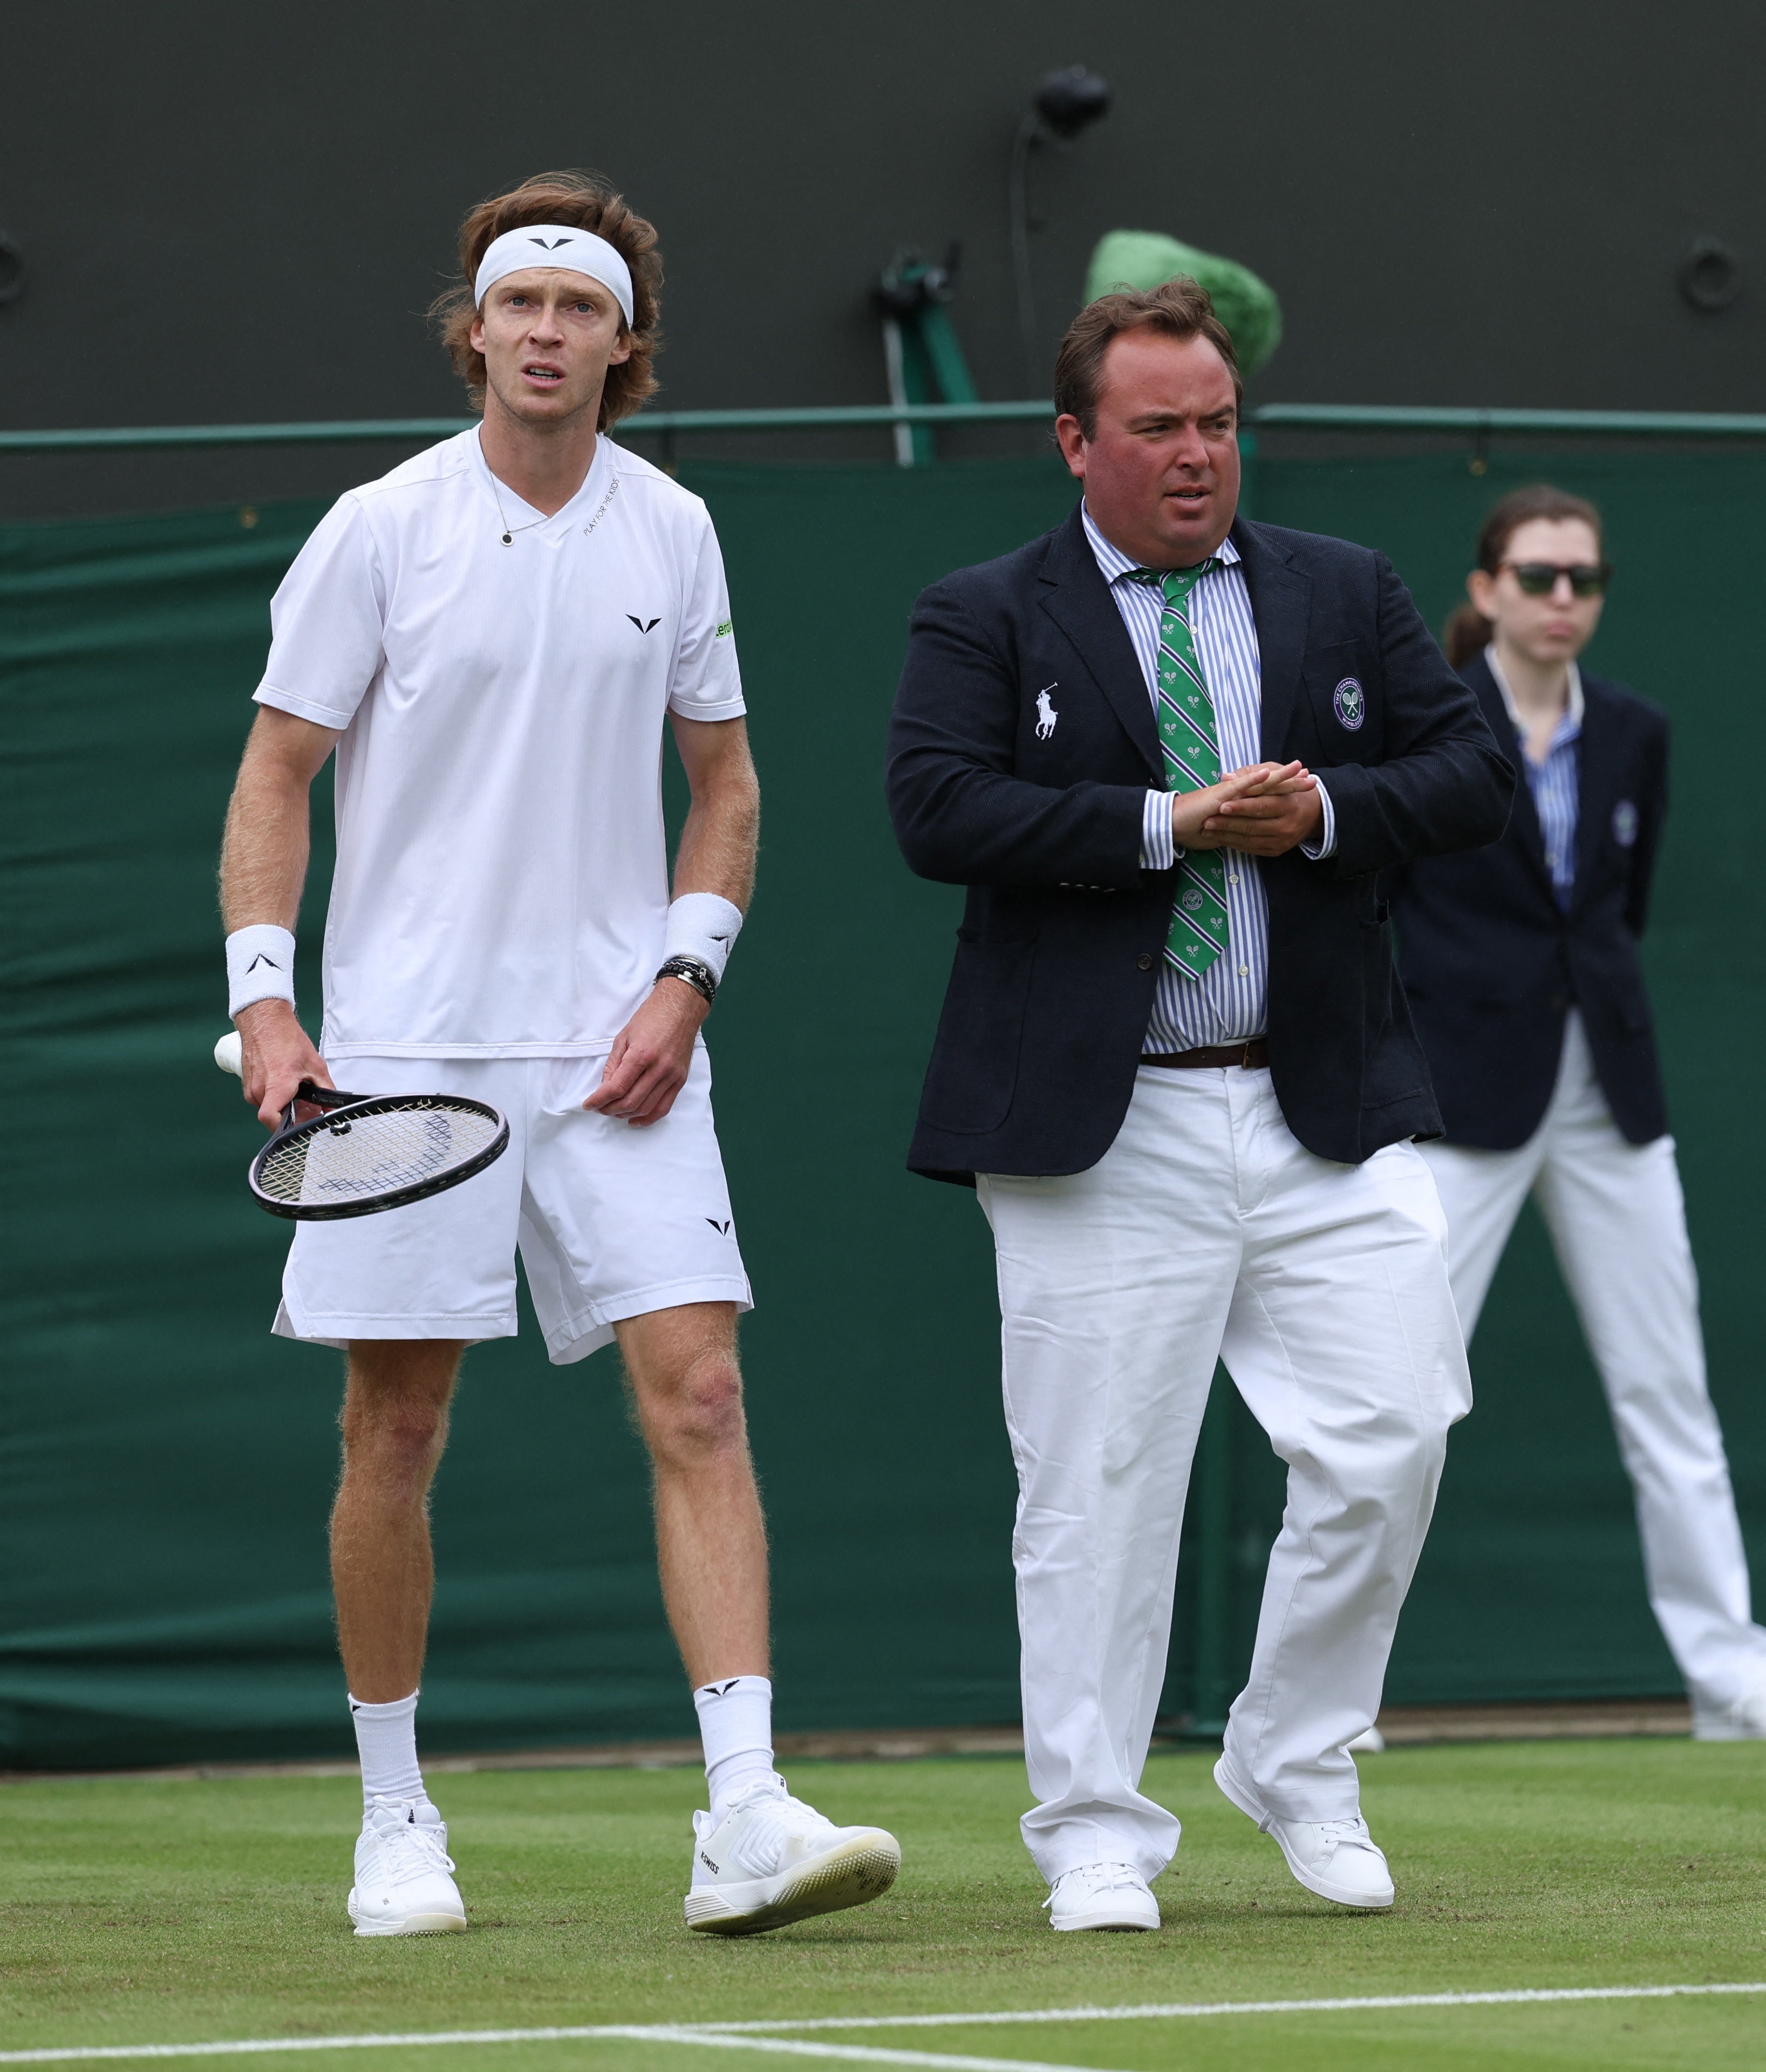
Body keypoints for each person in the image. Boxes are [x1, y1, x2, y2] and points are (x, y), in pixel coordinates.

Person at [217, 171, 898, 1938]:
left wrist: (687, 976)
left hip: (620, 1048)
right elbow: (278, 775)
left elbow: (728, 783)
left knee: (701, 1392)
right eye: (514, 303)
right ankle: (393, 1822)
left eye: (576, 307)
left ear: (622, 342)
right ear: (472, 333)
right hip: (404, 1050)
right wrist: (270, 1000)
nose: (541, 332)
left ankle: (744, 1812)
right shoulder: (379, 528)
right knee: (398, 1423)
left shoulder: (671, 531)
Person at [887, 278, 1513, 1931]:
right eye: (1156, 427)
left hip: (1318, 1105)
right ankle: (1094, 1827)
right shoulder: (982, 610)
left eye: (1217, 425)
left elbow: (1465, 779)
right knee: (1095, 1487)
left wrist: (1319, 811)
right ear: (1074, 441)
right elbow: (936, 809)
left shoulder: (1344, 588)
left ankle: (1294, 1757)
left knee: (1395, 1437)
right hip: (1102, 1126)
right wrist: (1166, 822)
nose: (1194, 456)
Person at [1394, 485, 1766, 1739]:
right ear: (1486, 586)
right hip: (1461, 1097)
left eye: (1584, 581)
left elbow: (1615, 909)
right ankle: (1332, 1702)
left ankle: (1729, 1674)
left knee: (1669, 1392)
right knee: (1396, 1398)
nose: (1564, 600)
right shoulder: (1431, 724)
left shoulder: (1635, 733)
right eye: (1540, 576)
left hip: (1608, 1092)